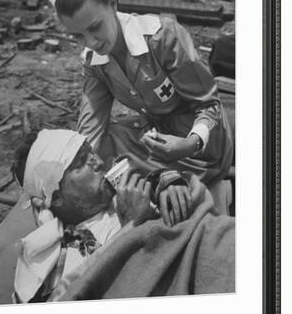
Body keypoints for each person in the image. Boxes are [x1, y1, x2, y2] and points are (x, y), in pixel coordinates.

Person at [41, 0, 234, 185]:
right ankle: (154, 179)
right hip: (158, 141)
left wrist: (189, 144)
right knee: (105, 139)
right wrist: (72, 172)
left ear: (112, 3)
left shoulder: (163, 37)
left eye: (94, 27)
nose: (91, 42)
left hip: (201, 147)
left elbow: (209, 104)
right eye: (78, 36)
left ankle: (161, 179)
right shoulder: (94, 63)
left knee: (128, 172)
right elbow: (91, 127)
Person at [12, 128, 231, 303]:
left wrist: (170, 181)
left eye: (91, 152)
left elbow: (196, 215)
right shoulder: (50, 266)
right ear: (57, 197)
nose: (98, 162)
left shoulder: (127, 194)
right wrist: (132, 228)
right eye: (81, 163)